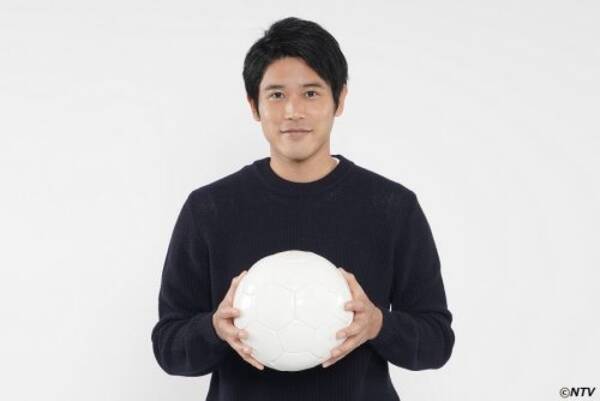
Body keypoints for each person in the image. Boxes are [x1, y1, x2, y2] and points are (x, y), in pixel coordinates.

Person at [151, 16, 455, 401]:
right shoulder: (209, 209)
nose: (293, 111)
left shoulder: (392, 207)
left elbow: (436, 342)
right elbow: (168, 347)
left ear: (339, 99)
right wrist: (214, 329)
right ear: (254, 105)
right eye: (276, 94)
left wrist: (378, 324)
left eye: (311, 93)